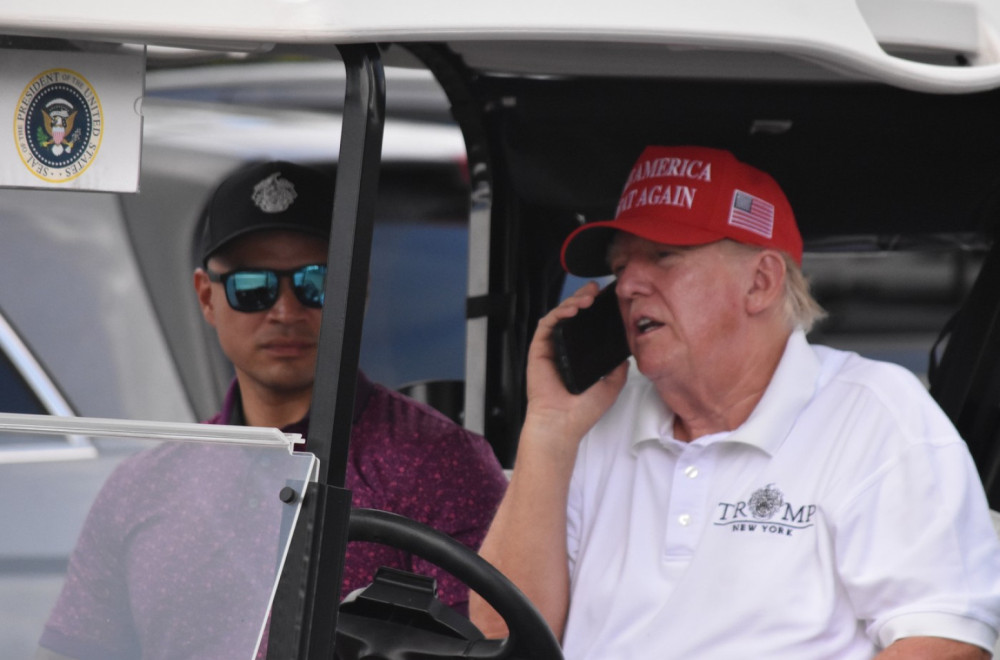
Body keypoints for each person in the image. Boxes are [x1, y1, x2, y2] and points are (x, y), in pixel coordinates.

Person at [471, 145, 1000, 659]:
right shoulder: (591, 421)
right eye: (620, 266)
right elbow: (497, 637)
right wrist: (549, 426)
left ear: (761, 282)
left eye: (664, 257)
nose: (627, 285)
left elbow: (946, 641)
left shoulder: (875, 413)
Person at [37, 160, 509, 660]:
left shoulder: (442, 464)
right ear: (207, 297)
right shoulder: (142, 487)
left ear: (358, 291)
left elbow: (481, 645)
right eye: (252, 287)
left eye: (317, 282)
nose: (285, 311)